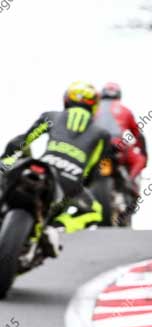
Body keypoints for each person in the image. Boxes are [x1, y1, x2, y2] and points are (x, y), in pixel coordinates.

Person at [1, 81, 109, 253]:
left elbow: (21, 142)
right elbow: (92, 172)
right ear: (94, 105)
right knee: (96, 212)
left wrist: (5, 163)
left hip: (43, 167)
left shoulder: (50, 116)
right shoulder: (103, 135)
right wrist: (80, 183)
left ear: (67, 99)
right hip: (70, 182)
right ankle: (58, 227)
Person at [95, 82, 148, 186]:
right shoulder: (125, 110)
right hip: (116, 145)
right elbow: (136, 134)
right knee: (140, 160)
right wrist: (140, 149)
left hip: (94, 144)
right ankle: (130, 181)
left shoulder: (94, 108)